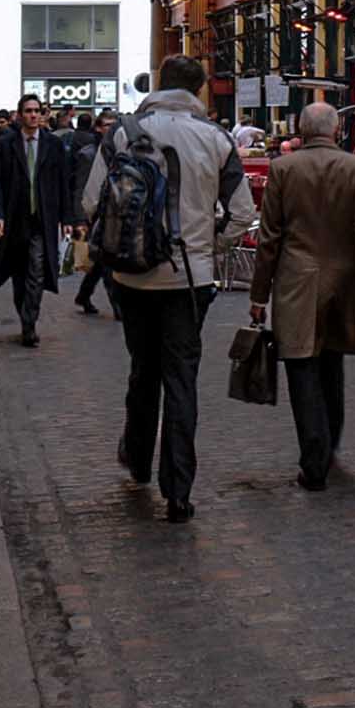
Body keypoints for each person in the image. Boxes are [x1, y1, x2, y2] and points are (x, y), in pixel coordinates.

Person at [82, 55, 256, 524]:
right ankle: (178, 491)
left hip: (132, 277)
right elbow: (242, 213)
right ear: (199, 90)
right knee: (181, 379)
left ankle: (138, 459)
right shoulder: (216, 138)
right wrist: (210, 246)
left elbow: (91, 201)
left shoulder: (123, 132)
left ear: (159, 84)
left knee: (143, 369)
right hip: (188, 279)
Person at [249, 102, 355, 492]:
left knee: (301, 365)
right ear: (336, 129)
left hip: (296, 279)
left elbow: (270, 237)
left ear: (302, 130)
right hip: (343, 280)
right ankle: (329, 442)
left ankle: (314, 458)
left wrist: (259, 294)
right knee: (331, 362)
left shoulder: (283, 169)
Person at [0, 94, 75, 346]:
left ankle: (29, 323)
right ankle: (25, 317)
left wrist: (67, 217)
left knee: (36, 271)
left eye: (37, 111)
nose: (33, 115)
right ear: (20, 114)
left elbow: (63, 183)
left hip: (42, 219)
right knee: (19, 273)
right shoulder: (5, 145)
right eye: (28, 111)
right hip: (15, 218)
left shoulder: (53, 145)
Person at [71, 110, 119, 316]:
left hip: (114, 214)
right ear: (98, 128)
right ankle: (118, 306)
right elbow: (80, 187)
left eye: (115, 125)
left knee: (100, 260)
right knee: (106, 260)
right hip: (95, 215)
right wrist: (81, 219)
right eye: (107, 125)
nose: (112, 129)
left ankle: (83, 295)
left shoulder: (120, 150)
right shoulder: (88, 154)